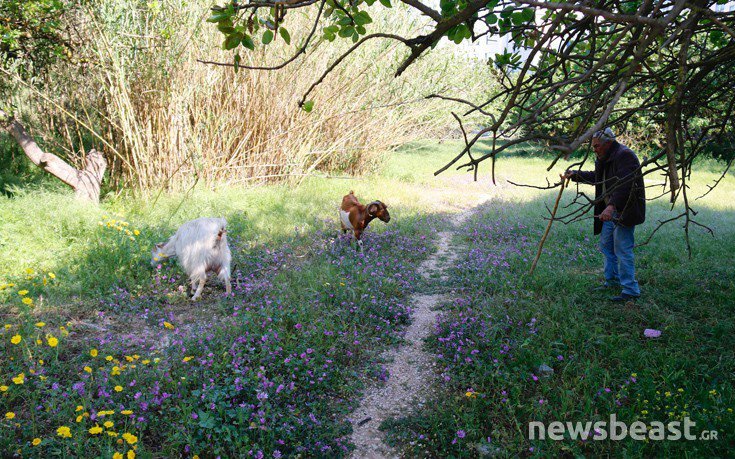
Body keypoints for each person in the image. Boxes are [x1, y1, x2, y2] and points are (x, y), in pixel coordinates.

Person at [563, 128, 646, 302]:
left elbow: (626, 185)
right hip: (610, 208)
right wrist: (576, 175)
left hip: (624, 210)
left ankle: (630, 290)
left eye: (597, 146)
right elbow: (598, 178)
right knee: (607, 245)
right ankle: (612, 280)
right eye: (593, 146)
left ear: (608, 143)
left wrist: (611, 206)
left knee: (623, 248)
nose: (595, 149)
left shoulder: (625, 156)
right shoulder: (603, 156)